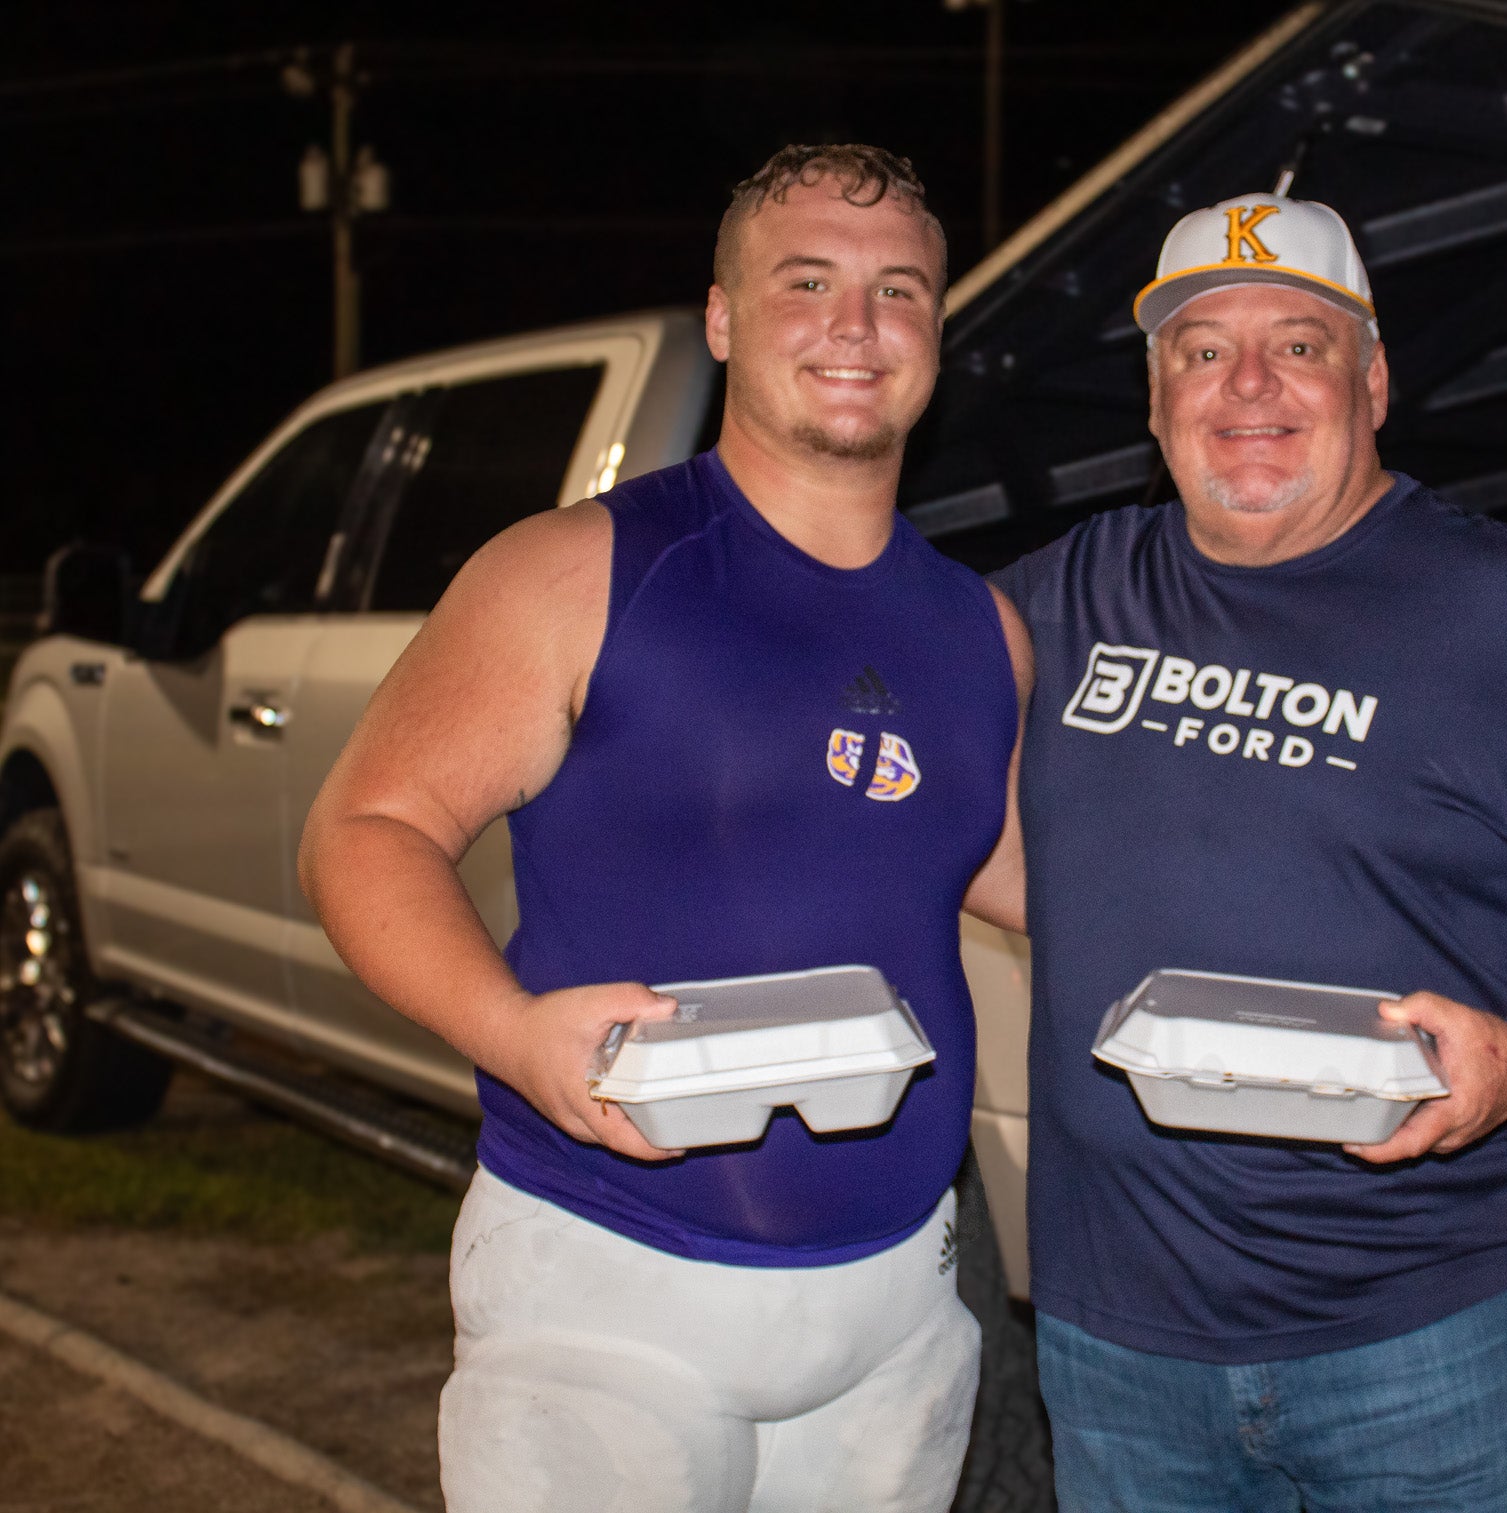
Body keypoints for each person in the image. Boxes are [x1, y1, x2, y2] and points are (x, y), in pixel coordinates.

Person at [992, 191, 1507, 1511]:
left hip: (1420, 1341)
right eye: (1200, 348)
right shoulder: (1068, 593)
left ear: (1374, 378)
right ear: (1154, 395)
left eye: (1297, 343)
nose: (1246, 383)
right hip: (1116, 1339)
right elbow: (889, 760)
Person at [300, 144, 1030, 1513]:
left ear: (939, 327)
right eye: (804, 282)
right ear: (721, 317)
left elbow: (1006, 864)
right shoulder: (578, 571)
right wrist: (514, 1033)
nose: (856, 326)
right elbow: (364, 827)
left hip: (893, 1313)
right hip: (604, 1289)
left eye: (900, 291)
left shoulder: (981, 630)